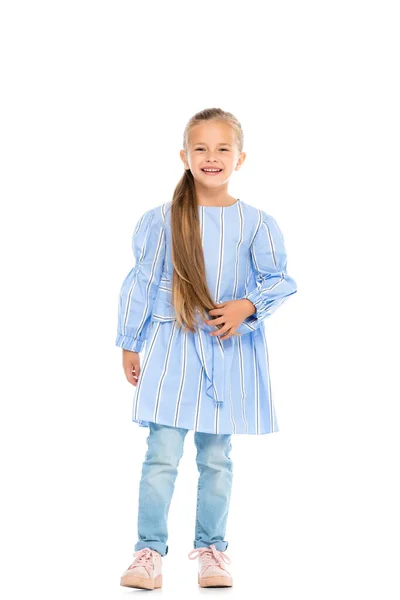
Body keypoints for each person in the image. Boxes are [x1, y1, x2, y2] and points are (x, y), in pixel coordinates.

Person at [115, 107, 297, 590]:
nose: (211, 157)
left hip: (228, 350)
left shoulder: (256, 223)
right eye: (201, 148)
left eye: (222, 148)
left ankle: (213, 550)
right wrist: (130, 343)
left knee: (216, 457)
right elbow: (142, 281)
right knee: (162, 454)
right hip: (172, 347)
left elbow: (279, 280)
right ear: (184, 155)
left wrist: (247, 307)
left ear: (240, 158)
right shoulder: (162, 220)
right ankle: (148, 551)